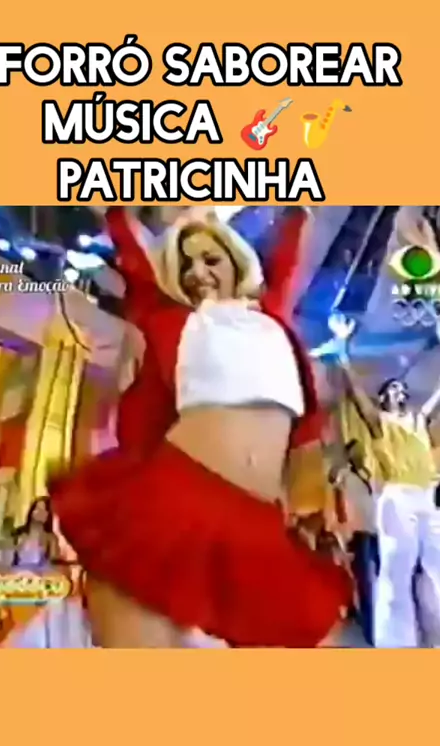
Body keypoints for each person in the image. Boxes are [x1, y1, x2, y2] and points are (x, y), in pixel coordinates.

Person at [47, 206, 352, 648]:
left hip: (257, 520)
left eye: (211, 259)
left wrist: (298, 214)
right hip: (177, 497)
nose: (197, 273)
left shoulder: (272, 320)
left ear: (236, 262)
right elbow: (134, 258)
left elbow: (288, 260)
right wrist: (116, 212)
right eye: (186, 263)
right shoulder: (173, 318)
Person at [333, 303, 440, 647]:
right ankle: (397, 644)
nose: (396, 392)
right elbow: (356, 394)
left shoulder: (418, 421)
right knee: (398, 569)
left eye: (399, 388)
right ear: (382, 399)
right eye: (389, 390)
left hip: (427, 496)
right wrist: (343, 351)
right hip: (398, 497)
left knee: (437, 567)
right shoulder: (380, 424)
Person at [329, 440, 378, 645]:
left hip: (375, 531)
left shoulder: (367, 474)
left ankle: (374, 623)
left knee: (377, 581)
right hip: (359, 533)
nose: (360, 455)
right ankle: (369, 630)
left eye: (361, 451)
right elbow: (334, 487)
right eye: (356, 452)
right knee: (365, 583)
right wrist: (344, 532)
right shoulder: (345, 476)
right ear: (349, 456)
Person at [0, 497, 60, 570]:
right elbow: (5, 556)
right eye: (37, 509)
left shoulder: (51, 538)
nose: (40, 512)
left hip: (42, 575)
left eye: (44, 510)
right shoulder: (18, 533)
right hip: (17, 573)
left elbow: (54, 564)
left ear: (49, 515)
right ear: (31, 512)